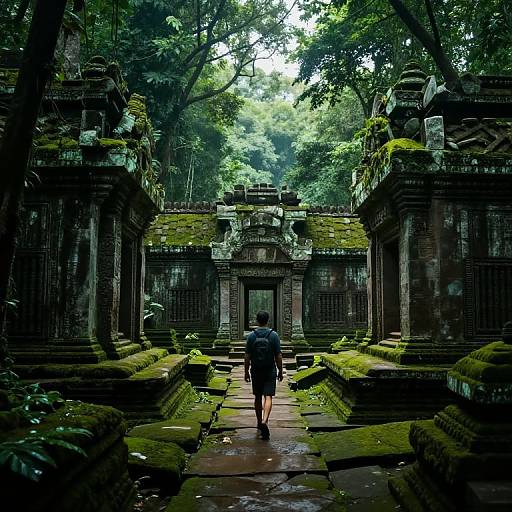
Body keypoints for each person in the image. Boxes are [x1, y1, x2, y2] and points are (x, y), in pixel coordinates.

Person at [244, 310, 283, 440]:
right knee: (268, 396)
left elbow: (247, 356)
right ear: (268, 320)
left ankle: (259, 422)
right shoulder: (274, 335)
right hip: (270, 369)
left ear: (257, 320)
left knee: (257, 397)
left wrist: (246, 371)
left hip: (256, 370)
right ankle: (265, 420)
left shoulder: (251, 336)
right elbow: (278, 356)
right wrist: (280, 370)